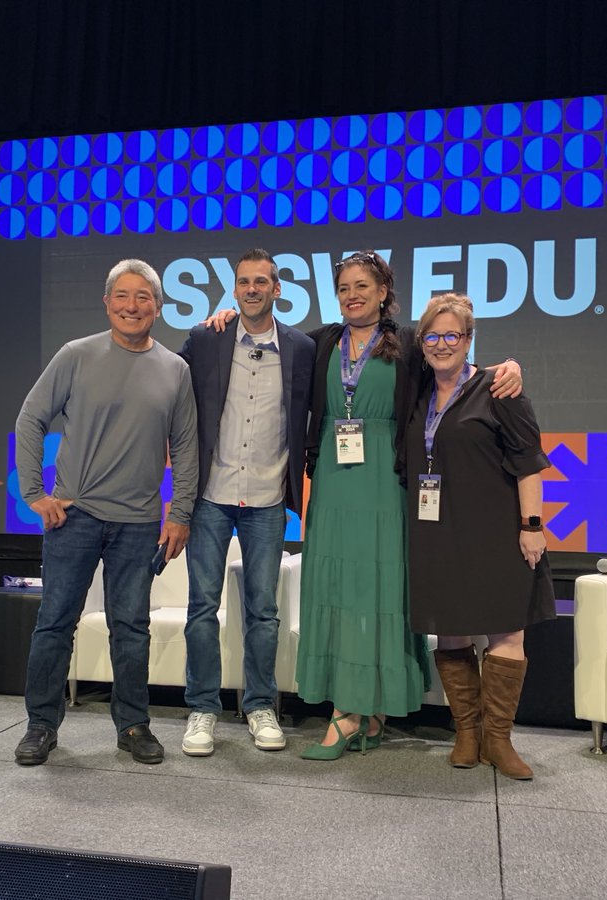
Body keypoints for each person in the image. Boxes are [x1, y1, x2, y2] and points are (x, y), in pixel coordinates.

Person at [214, 251, 522, 759]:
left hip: (387, 482)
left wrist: (506, 367)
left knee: (379, 589)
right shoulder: (318, 344)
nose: (352, 295)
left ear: (383, 292)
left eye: (363, 286)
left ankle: (362, 710)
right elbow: (263, 337)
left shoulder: (409, 348)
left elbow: (456, 370)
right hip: (333, 482)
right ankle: (354, 709)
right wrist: (225, 320)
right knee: (338, 587)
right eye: (344, 288)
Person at [13, 259, 198, 766]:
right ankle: (41, 725)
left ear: (157, 308)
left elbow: (184, 447)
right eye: (123, 295)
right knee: (55, 623)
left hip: (139, 523)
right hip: (74, 518)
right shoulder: (76, 355)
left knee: (132, 628)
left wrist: (179, 512)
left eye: (143, 297)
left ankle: (134, 725)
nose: (132, 306)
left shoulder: (175, 370)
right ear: (107, 302)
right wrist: (34, 493)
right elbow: (30, 419)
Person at [405, 293, 554, 780]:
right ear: (421, 341)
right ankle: (466, 732)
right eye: (433, 335)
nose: (442, 344)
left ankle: (499, 739)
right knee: (450, 630)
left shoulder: (498, 389)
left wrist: (532, 527)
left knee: (506, 632)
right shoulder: (418, 391)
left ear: (469, 341)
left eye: (453, 335)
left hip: (495, 533)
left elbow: (529, 460)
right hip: (438, 533)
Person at [177, 249, 315, 757]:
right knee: (201, 608)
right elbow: (164, 384)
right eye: (244, 282)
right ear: (234, 290)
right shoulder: (205, 338)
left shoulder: (302, 347)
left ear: (278, 290)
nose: (252, 289)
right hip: (210, 496)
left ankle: (260, 706)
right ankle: (203, 709)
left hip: (266, 498)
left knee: (264, 611)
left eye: (262, 282)